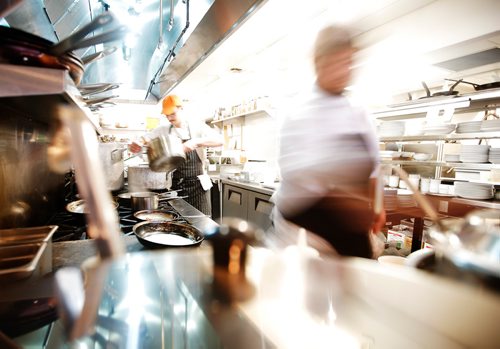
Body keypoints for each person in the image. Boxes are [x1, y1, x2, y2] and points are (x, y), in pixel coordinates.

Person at [273, 25, 385, 258]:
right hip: (305, 231)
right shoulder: (298, 112)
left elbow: (374, 166)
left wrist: (377, 205)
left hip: (349, 232)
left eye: (348, 62)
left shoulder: (358, 112)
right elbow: (298, 175)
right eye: (336, 62)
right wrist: (348, 199)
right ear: (318, 62)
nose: (343, 70)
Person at [130, 95, 223, 215]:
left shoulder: (196, 127)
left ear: (181, 109)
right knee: (180, 220)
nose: (169, 118)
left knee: (201, 221)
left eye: (172, 114)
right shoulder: (164, 129)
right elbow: (145, 138)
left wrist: (196, 142)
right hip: (176, 186)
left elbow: (220, 140)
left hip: (198, 186)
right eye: (166, 115)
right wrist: (137, 142)